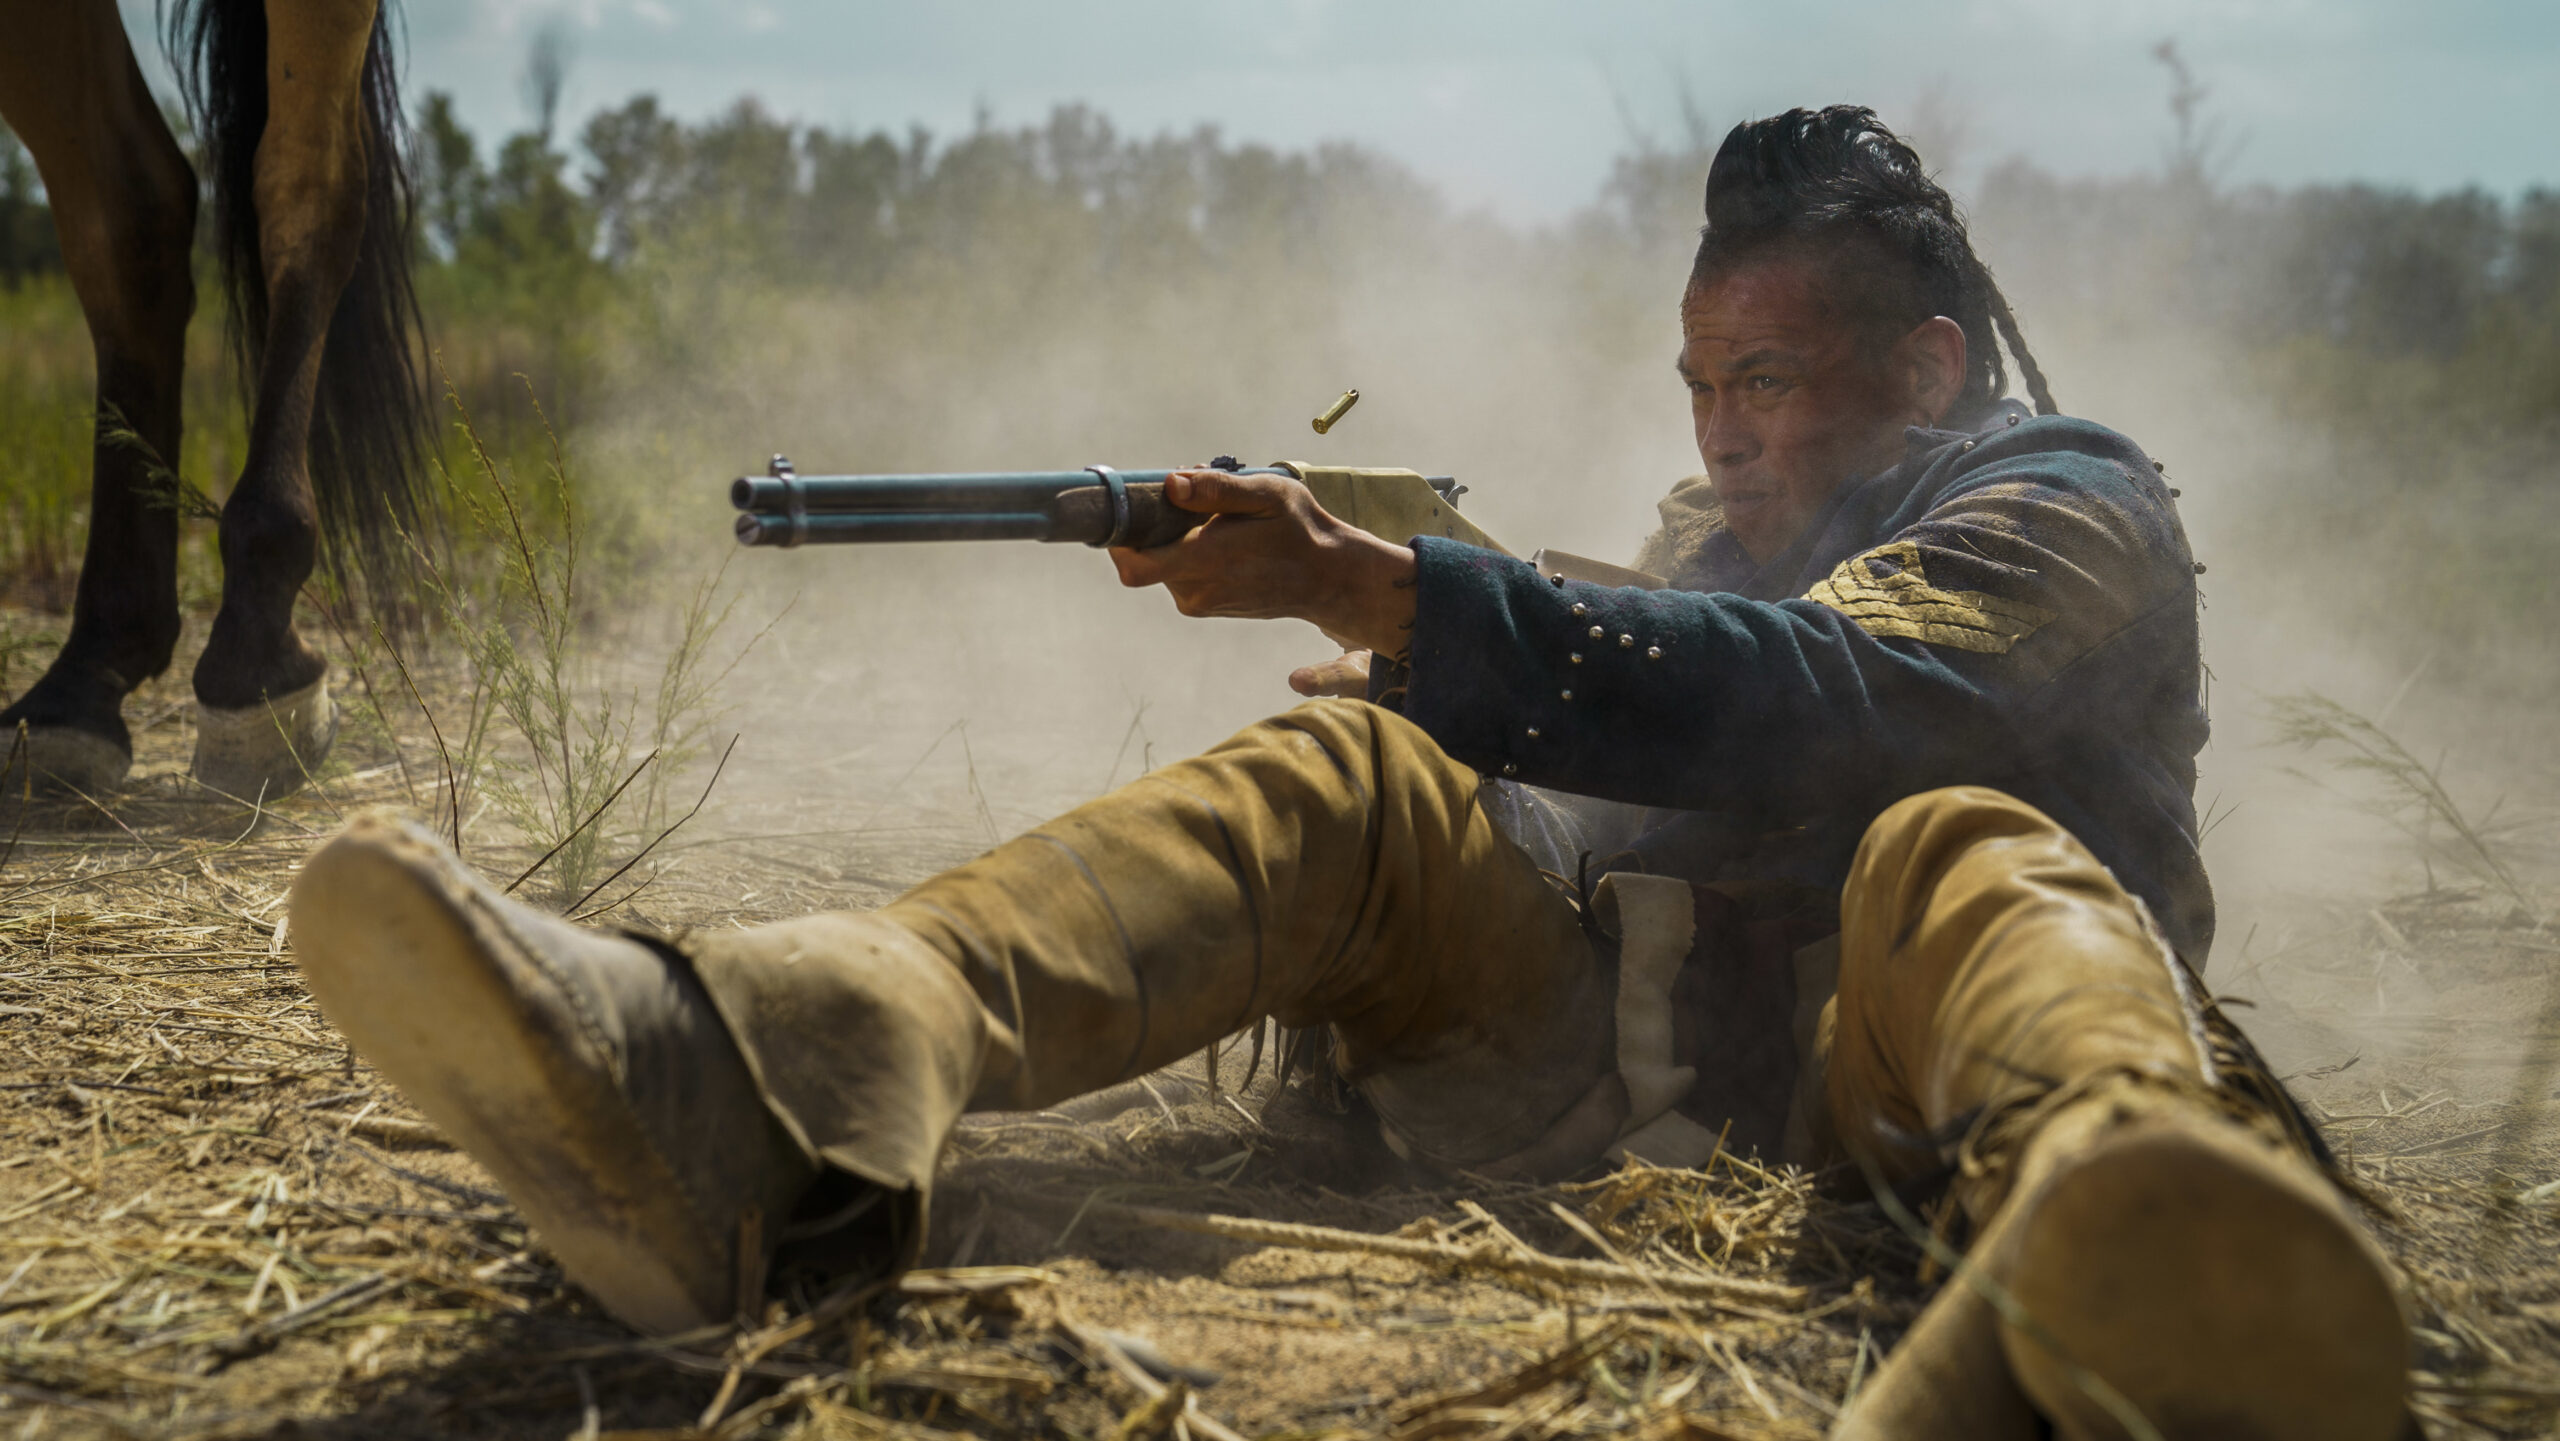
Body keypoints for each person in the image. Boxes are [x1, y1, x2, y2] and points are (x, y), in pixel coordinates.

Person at [288, 108, 2409, 1439]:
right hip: (1622, 1095)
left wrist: (1427, 599)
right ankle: (785, 1064)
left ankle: (2112, 1229)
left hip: (1898, 1099)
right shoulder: (1705, 542)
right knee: (1350, 787)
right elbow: (1611, 765)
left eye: (1765, 376)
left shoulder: (2065, 500)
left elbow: (1820, 701)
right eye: (1695, 384)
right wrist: (1413, 701)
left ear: (1924, 366)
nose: (1719, 432)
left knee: (1965, 848)